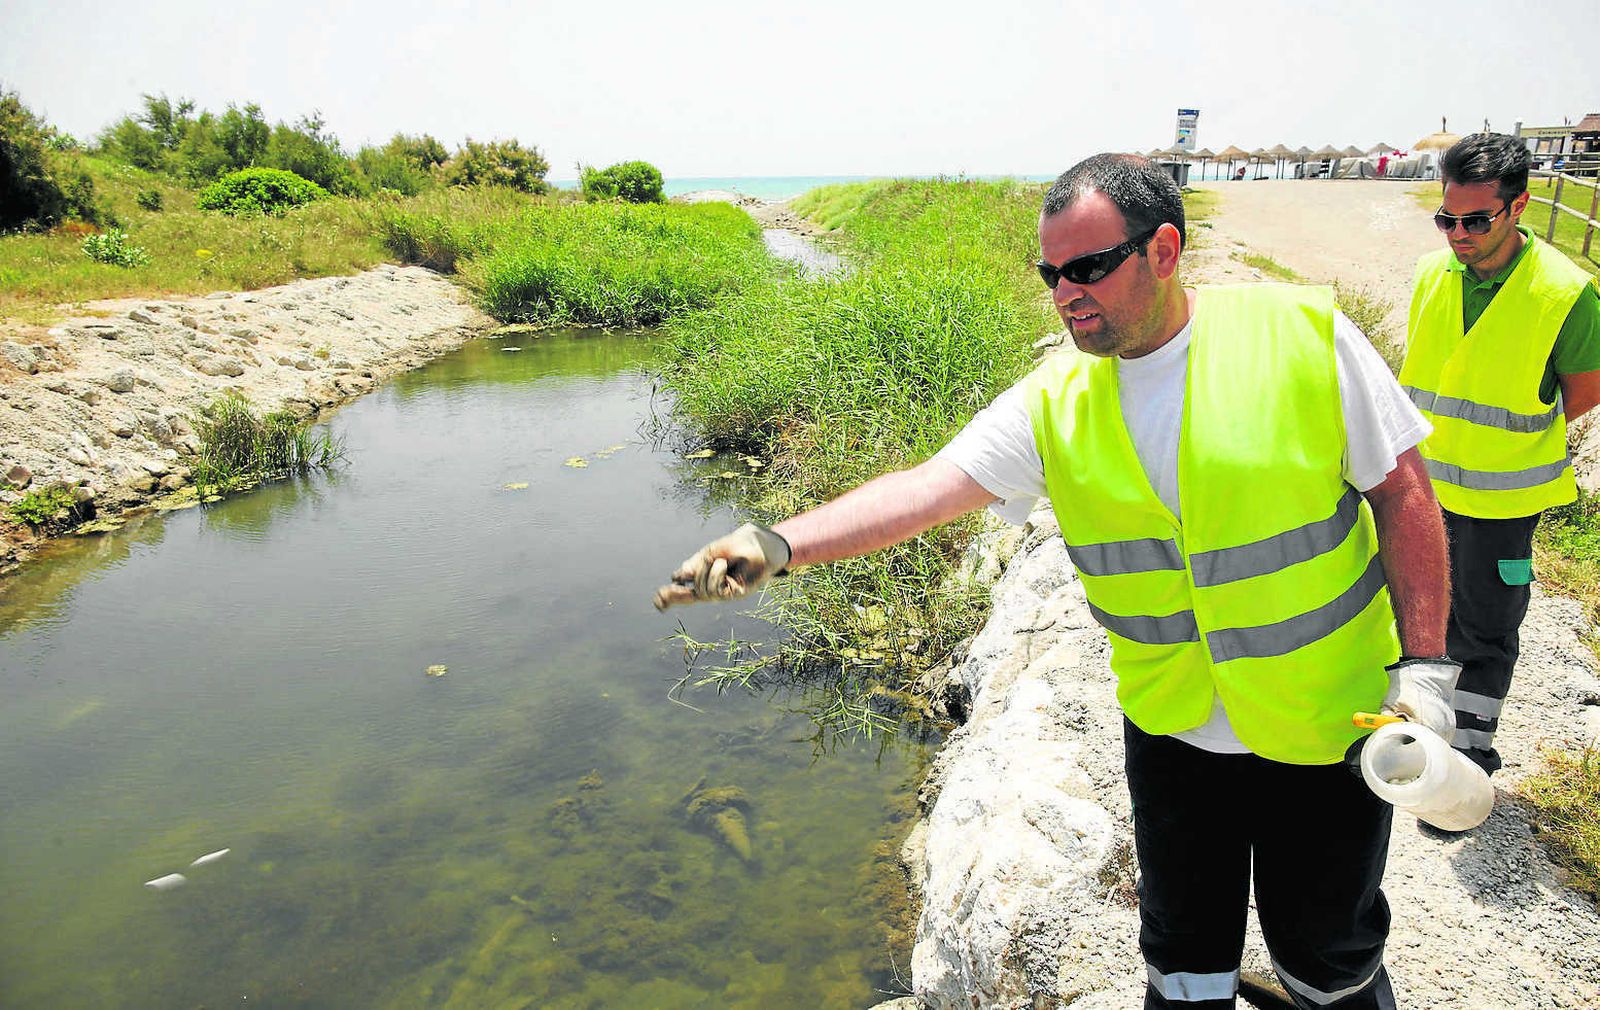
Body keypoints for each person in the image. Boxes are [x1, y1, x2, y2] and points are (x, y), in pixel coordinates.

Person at [656, 154, 1457, 1009]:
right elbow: (925, 490)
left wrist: (1429, 671)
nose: (1066, 292)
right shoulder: (1054, 400)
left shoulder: (1301, 336)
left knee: (1329, 959)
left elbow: (1402, 493)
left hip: (1327, 723)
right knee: (1184, 965)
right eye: (1051, 273)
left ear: (1164, 250)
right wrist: (778, 543)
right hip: (1174, 734)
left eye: (1088, 267)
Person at [1401, 133, 1600, 776]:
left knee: (1483, 629)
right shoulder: (1433, 275)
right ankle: (1409, 726)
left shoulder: (1565, 294)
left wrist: (1509, 439)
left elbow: (1585, 391)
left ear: (1519, 207)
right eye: (1446, 218)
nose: (1457, 233)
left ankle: (1467, 753)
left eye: (1475, 220)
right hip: (1422, 489)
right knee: (1412, 611)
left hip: (1502, 499)